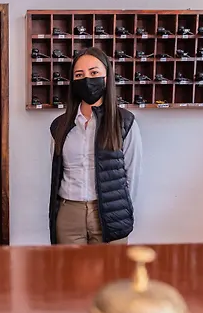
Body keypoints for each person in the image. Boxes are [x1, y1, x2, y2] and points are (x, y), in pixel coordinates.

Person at [49, 47, 142, 245]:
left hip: (110, 213)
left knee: (111, 266)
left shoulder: (124, 122)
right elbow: (57, 172)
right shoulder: (60, 126)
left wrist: (120, 209)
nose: (87, 80)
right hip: (69, 213)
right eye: (79, 75)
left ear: (106, 77)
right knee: (69, 266)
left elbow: (132, 174)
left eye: (94, 73)